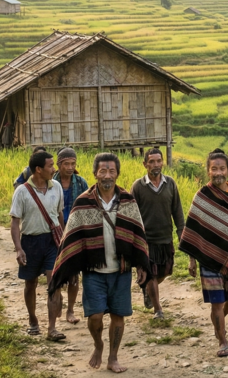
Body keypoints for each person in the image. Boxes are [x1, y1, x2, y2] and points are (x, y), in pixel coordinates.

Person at [50, 153, 151, 374]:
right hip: (94, 271)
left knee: (118, 315)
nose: (107, 175)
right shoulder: (83, 201)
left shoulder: (127, 200)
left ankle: (113, 357)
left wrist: (142, 264)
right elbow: (72, 237)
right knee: (94, 316)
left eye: (111, 171)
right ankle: (98, 344)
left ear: (118, 173)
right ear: (95, 173)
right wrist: (71, 268)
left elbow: (137, 233)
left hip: (120, 269)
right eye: (103, 171)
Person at [180, 149, 228, 358]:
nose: (218, 172)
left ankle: (217, 322)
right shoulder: (202, 196)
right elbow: (193, 229)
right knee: (217, 301)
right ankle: (222, 340)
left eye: (222, 168)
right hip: (208, 257)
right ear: (208, 171)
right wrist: (192, 260)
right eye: (214, 169)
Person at [9, 150, 66, 342]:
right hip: (31, 242)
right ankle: (33, 319)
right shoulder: (22, 191)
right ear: (38, 169)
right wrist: (19, 248)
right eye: (50, 166)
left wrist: (64, 239)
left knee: (53, 282)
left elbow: (59, 215)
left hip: (52, 241)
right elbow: (15, 222)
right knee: (30, 283)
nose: (54, 169)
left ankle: (52, 328)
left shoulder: (56, 187)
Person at [131, 148, 185, 320]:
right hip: (146, 240)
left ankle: (147, 289)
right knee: (152, 274)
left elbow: (177, 210)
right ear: (145, 164)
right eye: (151, 161)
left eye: (158, 161)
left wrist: (181, 231)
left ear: (162, 162)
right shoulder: (138, 186)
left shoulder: (170, 184)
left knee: (165, 272)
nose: (155, 165)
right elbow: (132, 214)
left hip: (165, 237)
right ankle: (158, 309)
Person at [53, 147, 89, 325]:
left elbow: (90, 206)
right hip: (54, 233)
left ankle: (70, 310)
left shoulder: (81, 183)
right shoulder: (51, 183)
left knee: (74, 274)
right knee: (55, 271)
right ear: (58, 165)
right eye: (66, 163)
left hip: (75, 233)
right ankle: (57, 300)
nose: (69, 167)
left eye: (72, 163)